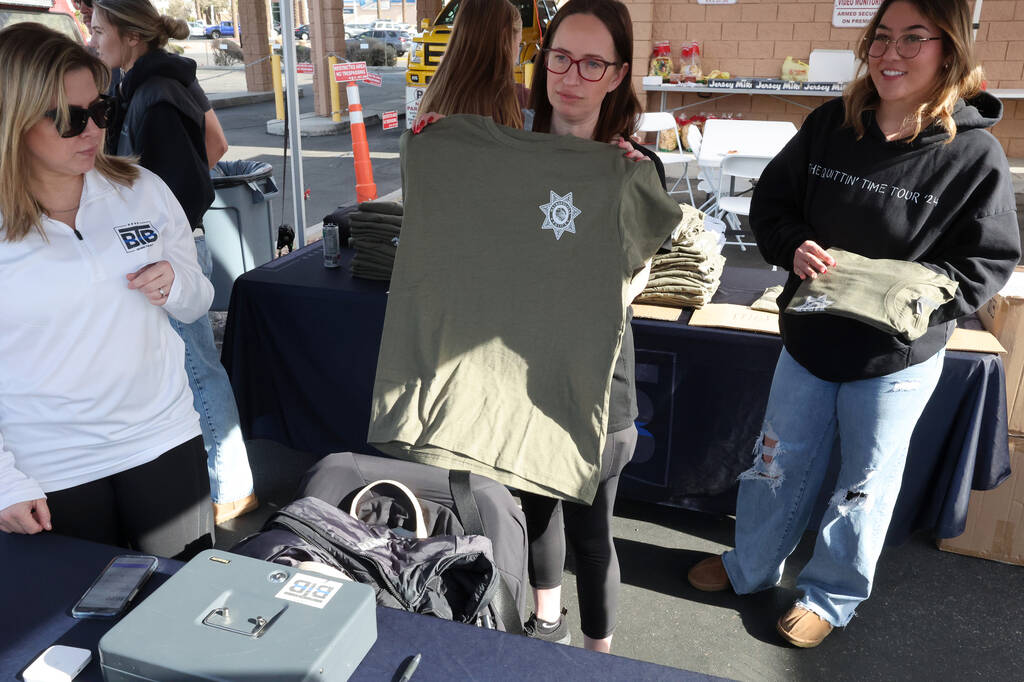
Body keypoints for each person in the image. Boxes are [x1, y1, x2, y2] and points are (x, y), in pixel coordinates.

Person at [686, 0, 1020, 648]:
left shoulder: (973, 154)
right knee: (775, 466)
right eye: (882, 38)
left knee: (864, 484)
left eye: (912, 39)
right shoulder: (830, 127)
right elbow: (773, 204)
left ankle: (830, 596)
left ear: (948, 50)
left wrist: (919, 294)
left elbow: (990, 259)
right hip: (810, 342)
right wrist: (793, 245)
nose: (890, 53)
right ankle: (749, 568)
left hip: (894, 361)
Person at [0, 23, 215, 559]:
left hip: (162, 438)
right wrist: (4, 479)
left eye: (101, 111)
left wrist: (174, 282)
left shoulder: (139, 189)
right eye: (70, 119)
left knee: (190, 611)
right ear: (11, 121)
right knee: (70, 633)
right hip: (49, 466)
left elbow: (198, 300)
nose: (91, 131)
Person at [516, 0, 673, 653]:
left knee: (592, 528)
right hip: (520, 377)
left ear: (617, 75)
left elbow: (629, 282)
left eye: (591, 62)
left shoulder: (635, 170)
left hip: (597, 386)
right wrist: (437, 147)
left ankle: (598, 657)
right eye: (559, 57)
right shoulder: (510, 154)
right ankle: (545, 621)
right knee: (534, 513)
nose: (570, 75)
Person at [91, 0, 258, 524]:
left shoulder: (151, 93)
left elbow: (184, 181)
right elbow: (215, 144)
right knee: (198, 366)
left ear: (130, 36)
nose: (93, 41)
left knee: (195, 369)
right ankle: (229, 484)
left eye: (98, 30)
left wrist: (157, 223)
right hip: (177, 245)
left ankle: (229, 488)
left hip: (165, 254)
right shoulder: (174, 79)